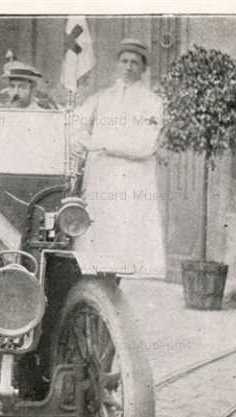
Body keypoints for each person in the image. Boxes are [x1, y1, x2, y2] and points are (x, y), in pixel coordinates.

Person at [70, 38, 166, 278]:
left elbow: (145, 145)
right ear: (117, 64)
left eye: (135, 62)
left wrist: (103, 144)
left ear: (143, 68)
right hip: (102, 175)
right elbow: (77, 125)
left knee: (127, 232)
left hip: (132, 177)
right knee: (100, 229)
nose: (129, 66)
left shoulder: (152, 103)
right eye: (124, 60)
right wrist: (81, 141)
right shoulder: (102, 98)